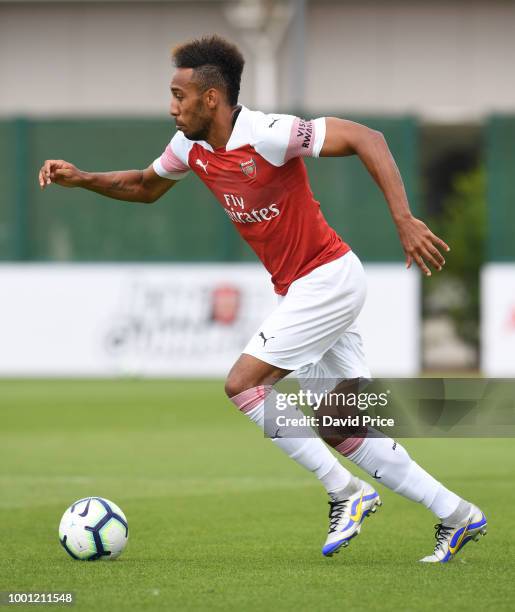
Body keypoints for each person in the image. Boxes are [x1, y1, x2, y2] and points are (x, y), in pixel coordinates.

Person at [38, 35, 486, 562]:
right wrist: (81, 178)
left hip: (328, 278)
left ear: (211, 98)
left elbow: (368, 138)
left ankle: (347, 491)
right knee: (343, 428)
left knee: (242, 384)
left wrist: (404, 219)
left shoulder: (268, 133)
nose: (172, 105)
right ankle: (458, 515)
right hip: (304, 288)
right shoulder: (190, 148)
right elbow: (144, 184)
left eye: (179, 94)